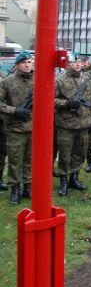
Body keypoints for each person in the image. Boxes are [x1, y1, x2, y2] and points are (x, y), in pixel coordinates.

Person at [54, 53, 91, 196]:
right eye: (74, 62)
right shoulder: (59, 80)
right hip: (66, 125)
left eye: (79, 61)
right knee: (65, 155)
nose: (78, 64)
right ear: (67, 64)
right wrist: (66, 103)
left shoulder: (86, 79)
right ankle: (63, 181)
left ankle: (74, 178)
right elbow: (50, 99)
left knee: (79, 153)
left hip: (84, 124)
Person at [0, 52, 34, 204]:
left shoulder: (37, 81)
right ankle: (15, 189)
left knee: (30, 160)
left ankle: (27, 187)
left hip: (34, 128)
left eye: (29, 62)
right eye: (24, 62)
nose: (27, 65)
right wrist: (15, 111)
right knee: (15, 161)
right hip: (15, 128)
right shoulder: (7, 82)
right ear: (17, 64)